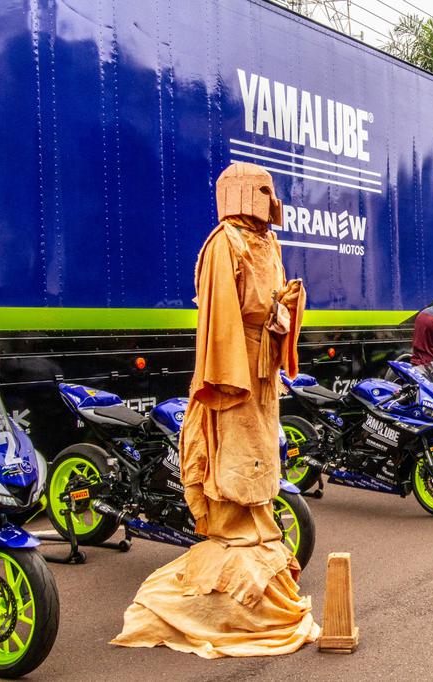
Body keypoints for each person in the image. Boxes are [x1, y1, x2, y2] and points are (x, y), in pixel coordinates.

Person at [112, 162, 318, 655]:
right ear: (244, 193)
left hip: (264, 368)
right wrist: (232, 371)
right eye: (264, 190)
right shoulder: (225, 242)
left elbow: (268, 301)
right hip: (237, 369)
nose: (273, 200)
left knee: (263, 450)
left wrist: (284, 308)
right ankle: (232, 529)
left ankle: (256, 528)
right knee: (232, 450)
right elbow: (223, 313)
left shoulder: (268, 242)